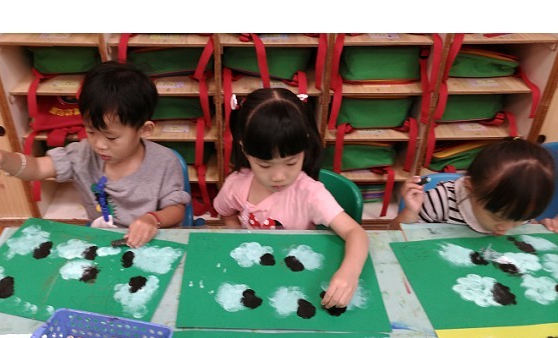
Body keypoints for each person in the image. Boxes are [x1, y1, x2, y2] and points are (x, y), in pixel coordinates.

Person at [0, 60, 190, 248]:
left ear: (144, 130)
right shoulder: (82, 154)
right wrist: (3, 158)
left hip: (153, 243)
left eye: (112, 137)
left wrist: (152, 219)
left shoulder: (165, 162)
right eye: (91, 131)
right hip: (104, 242)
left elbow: (176, 208)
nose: (99, 145)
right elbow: (37, 167)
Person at [213, 88, 369, 309]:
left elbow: (355, 232)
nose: (278, 176)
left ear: (305, 147)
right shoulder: (236, 185)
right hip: (253, 273)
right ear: (244, 148)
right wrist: (237, 237)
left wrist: (349, 273)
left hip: (296, 275)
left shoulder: (310, 194)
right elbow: (226, 213)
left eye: (291, 162)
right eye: (264, 165)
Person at [390, 137, 556, 235]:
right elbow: (394, 236)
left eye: (519, 220)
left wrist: (542, 228)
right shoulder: (440, 200)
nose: (505, 228)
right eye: (497, 218)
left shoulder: (520, 206)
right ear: (469, 188)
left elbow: (526, 229)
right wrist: (410, 213)